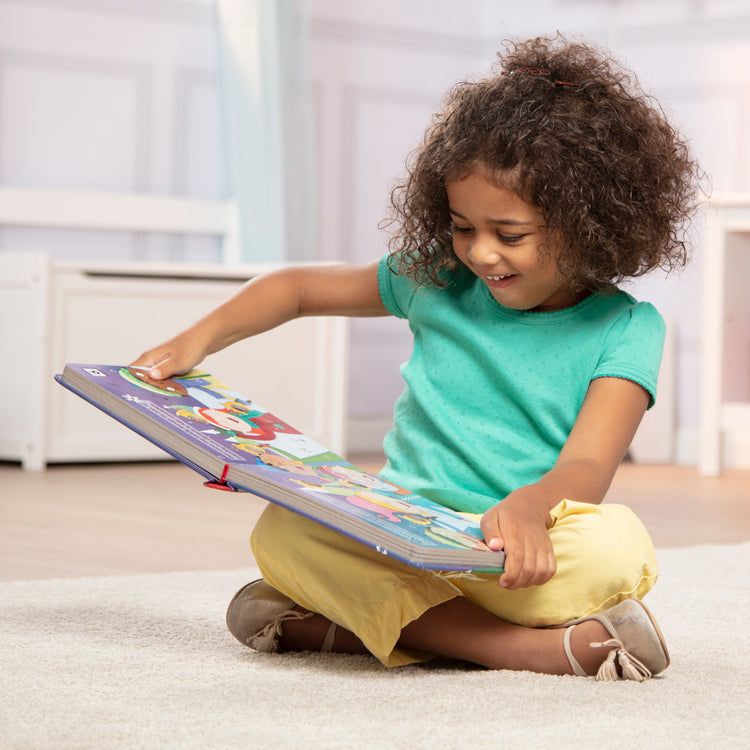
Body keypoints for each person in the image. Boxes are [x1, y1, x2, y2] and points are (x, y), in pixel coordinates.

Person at [132, 35, 702, 680]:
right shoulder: (435, 278)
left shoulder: (627, 327)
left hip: (512, 548)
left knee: (617, 548)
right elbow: (295, 289)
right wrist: (197, 340)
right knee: (282, 532)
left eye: (509, 235)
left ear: (592, 222)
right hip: (399, 534)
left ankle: (347, 625)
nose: (481, 253)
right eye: (463, 227)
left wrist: (527, 508)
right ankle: (520, 648)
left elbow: (589, 463)